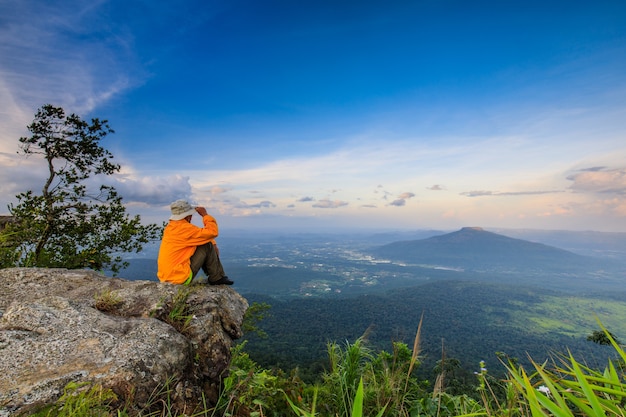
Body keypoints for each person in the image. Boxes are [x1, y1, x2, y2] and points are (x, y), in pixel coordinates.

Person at [157, 200, 233, 285]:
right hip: (180, 278)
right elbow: (212, 232)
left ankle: (216, 276)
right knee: (206, 245)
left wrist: (213, 243)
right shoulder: (184, 229)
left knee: (206, 243)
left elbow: (197, 235)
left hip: (166, 277)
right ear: (188, 216)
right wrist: (205, 215)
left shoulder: (172, 227)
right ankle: (217, 277)